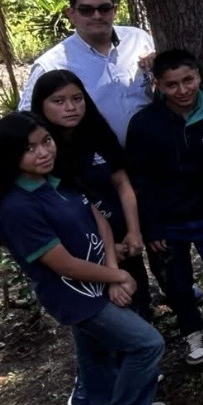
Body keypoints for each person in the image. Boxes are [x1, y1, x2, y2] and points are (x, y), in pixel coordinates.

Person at [0, 113, 166, 405]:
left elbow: (101, 223)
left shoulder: (58, 179)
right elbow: (64, 265)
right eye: (29, 148)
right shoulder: (16, 208)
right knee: (147, 344)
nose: (43, 152)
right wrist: (120, 274)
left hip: (99, 281)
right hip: (74, 296)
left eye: (46, 141)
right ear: (8, 154)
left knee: (96, 352)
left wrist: (112, 274)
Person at [125, 49, 203, 366]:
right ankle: (191, 330)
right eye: (172, 84)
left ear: (199, 76)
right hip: (168, 220)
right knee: (176, 283)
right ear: (157, 85)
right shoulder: (145, 124)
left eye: (188, 80)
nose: (182, 90)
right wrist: (151, 225)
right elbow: (140, 180)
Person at [31, 70, 150, 323]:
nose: (71, 107)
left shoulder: (97, 132)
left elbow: (122, 183)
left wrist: (134, 231)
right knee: (107, 322)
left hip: (123, 240)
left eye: (77, 98)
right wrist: (107, 255)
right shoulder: (42, 153)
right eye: (59, 101)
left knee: (139, 303)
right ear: (41, 104)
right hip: (80, 253)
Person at [20, 0, 154, 145]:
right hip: (94, 163)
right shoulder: (52, 64)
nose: (97, 16)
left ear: (115, 10)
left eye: (104, 9)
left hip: (154, 153)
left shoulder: (138, 39)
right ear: (71, 14)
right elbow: (27, 120)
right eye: (86, 10)